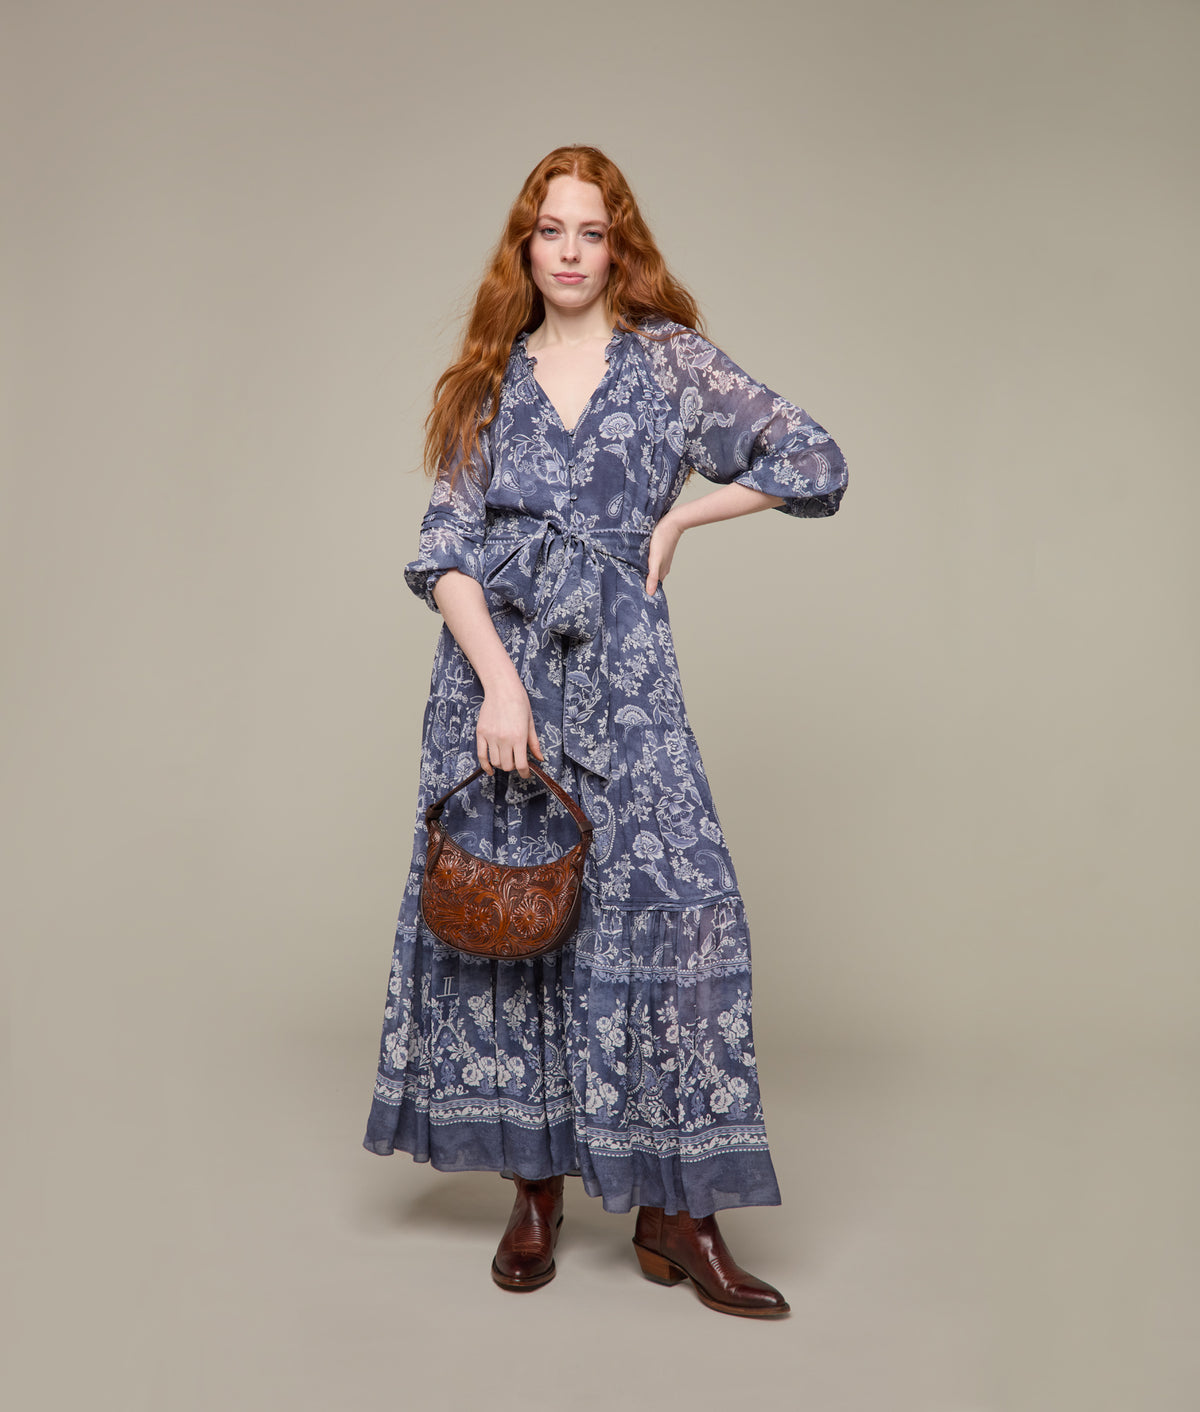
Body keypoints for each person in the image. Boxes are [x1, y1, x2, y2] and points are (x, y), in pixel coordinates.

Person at [363, 144, 848, 1318]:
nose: (571, 251)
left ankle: (677, 1212)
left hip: (627, 682)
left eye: (592, 230)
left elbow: (816, 459)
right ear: (524, 247)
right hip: (500, 679)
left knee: (683, 909)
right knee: (520, 916)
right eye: (552, 230)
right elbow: (443, 551)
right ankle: (534, 1190)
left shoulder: (670, 363)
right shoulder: (487, 379)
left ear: (618, 245)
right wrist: (499, 688)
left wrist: (687, 514)